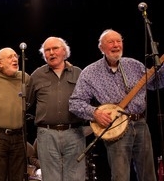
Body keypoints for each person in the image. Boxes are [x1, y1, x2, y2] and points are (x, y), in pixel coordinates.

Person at [69, 29, 164, 181]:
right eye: (111, 42)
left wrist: (162, 68)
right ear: (101, 48)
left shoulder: (134, 65)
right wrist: (95, 113)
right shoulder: (90, 72)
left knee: (148, 175)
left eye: (119, 41)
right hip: (115, 128)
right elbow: (75, 102)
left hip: (140, 123)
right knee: (120, 176)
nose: (116, 45)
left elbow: (157, 83)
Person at [26, 36, 86, 181]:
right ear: (44, 54)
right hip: (46, 134)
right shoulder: (37, 75)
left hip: (75, 133)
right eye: (47, 50)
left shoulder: (78, 73)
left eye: (55, 48)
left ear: (64, 52)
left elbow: (89, 100)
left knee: (75, 177)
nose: (51, 53)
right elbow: (26, 102)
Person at [0, 47, 30, 181]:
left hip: (19, 136)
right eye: (10, 57)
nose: (15, 59)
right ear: (0, 63)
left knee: (18, 177)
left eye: (15, 56)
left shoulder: (24, 77)